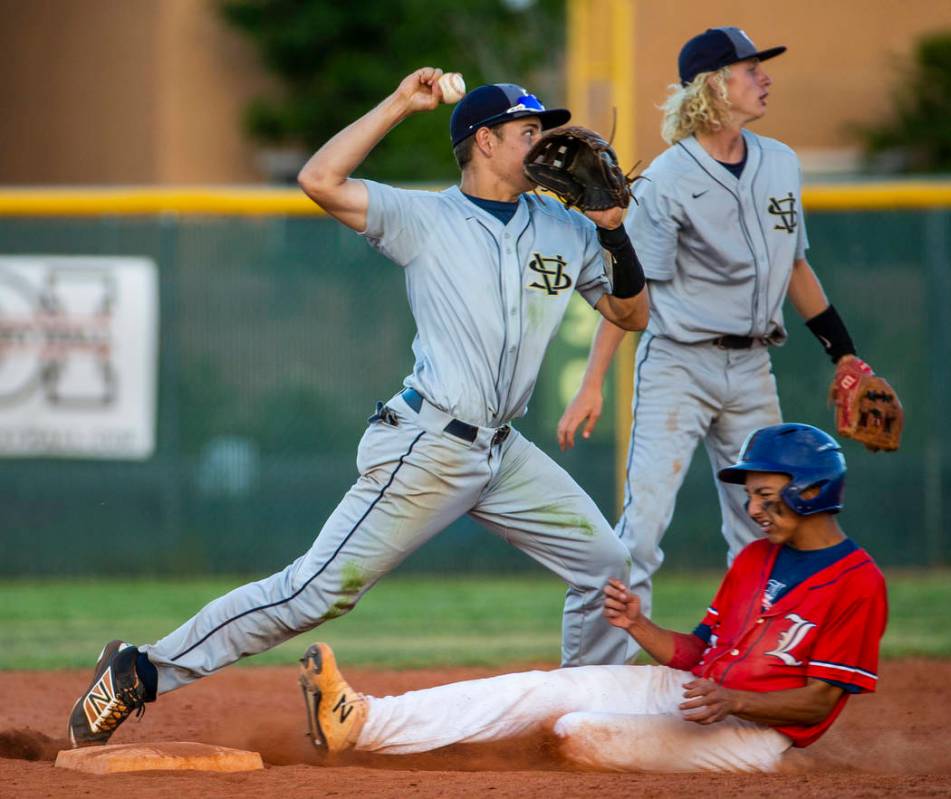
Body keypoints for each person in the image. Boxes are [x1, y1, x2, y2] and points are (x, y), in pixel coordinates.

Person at [66, 68, 649, 748]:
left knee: (608, 567)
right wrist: (401, 103)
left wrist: (612, 232)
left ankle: (578, 718)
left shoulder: (563, 226)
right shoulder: (424, 218)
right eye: (529, 132)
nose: (550, 146)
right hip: (428, 444)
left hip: (503, 451)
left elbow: (629, 312)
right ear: (484, 142)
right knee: (314, 591)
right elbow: (319, 180)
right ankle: (140, 670)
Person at [298, 423, 888, 774]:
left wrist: (734, 701)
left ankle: (788, 770)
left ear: (813, 492)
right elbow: (697, 652)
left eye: (766, 496)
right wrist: (639, 627)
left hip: (755, 733)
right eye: (753, 497)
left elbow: (816, 703)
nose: (754, 509)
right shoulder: (757, 558)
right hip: (697, 695)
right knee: (545, 688)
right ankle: (364, 721)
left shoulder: (858, 583)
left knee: (578, 733)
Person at [557, 27, 876, 654]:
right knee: (641, 531)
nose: (765, 79)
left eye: (761, 69)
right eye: (751, 69)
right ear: (713, 86)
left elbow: (796, 270)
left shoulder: (781, 162)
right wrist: (592, 382)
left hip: (754, 367)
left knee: (766, 527)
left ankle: (747, 665)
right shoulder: (670, 178)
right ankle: (598, 677)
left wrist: (845, 355)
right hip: (678, 364)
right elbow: (629, 291)